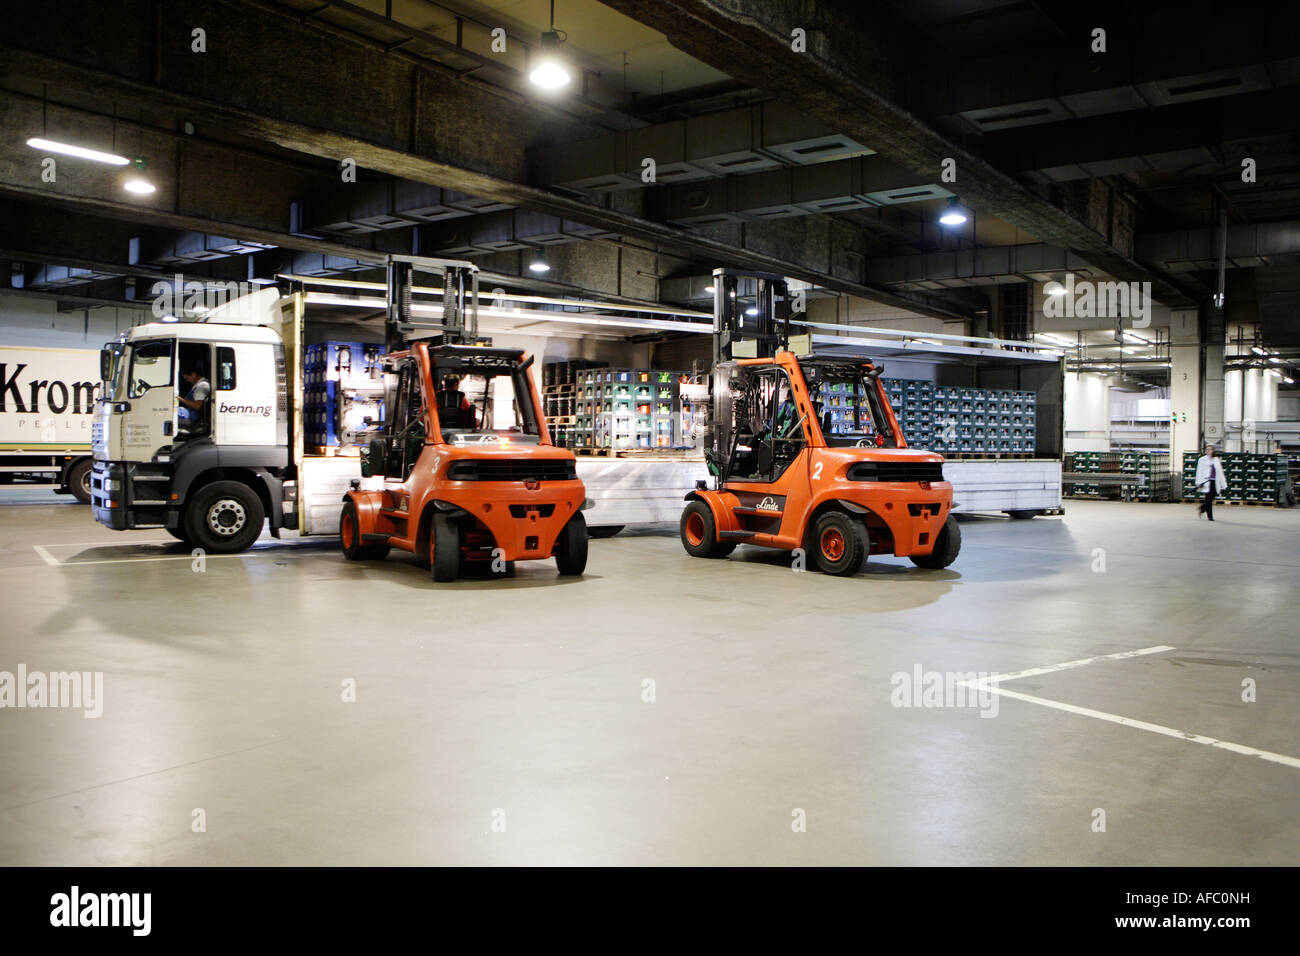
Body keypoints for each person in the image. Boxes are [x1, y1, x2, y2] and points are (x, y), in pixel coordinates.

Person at [1194, 444, 1228, 520]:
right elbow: (1199, 471)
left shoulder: (1216, 460)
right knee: (1209, 499)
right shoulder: (1202, 460)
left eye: (1210, 449)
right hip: (1206, 482)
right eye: (1207, 449)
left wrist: (1223, 483)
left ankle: (1202, 508)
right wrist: (1198, 482)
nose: (1209, 451)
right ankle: (1210, 516)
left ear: (1213, 451)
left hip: (1214, 482)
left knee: (1212, 497)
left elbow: (1220, 472)